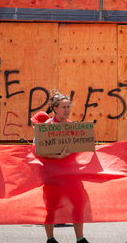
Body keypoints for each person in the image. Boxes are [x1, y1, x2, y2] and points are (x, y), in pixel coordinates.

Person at [41, 89, 89, 243]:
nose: (67, 110)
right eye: (64, 107)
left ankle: (80, 238)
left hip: (70, 174)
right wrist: (57, 156)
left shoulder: (72, 126)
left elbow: (80, 148)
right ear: (55, 109)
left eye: (68, 107)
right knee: (51, 207)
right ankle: (50, 238)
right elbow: (38, 151)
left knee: (79, 203)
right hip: (52, 175)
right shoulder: (46, 126)